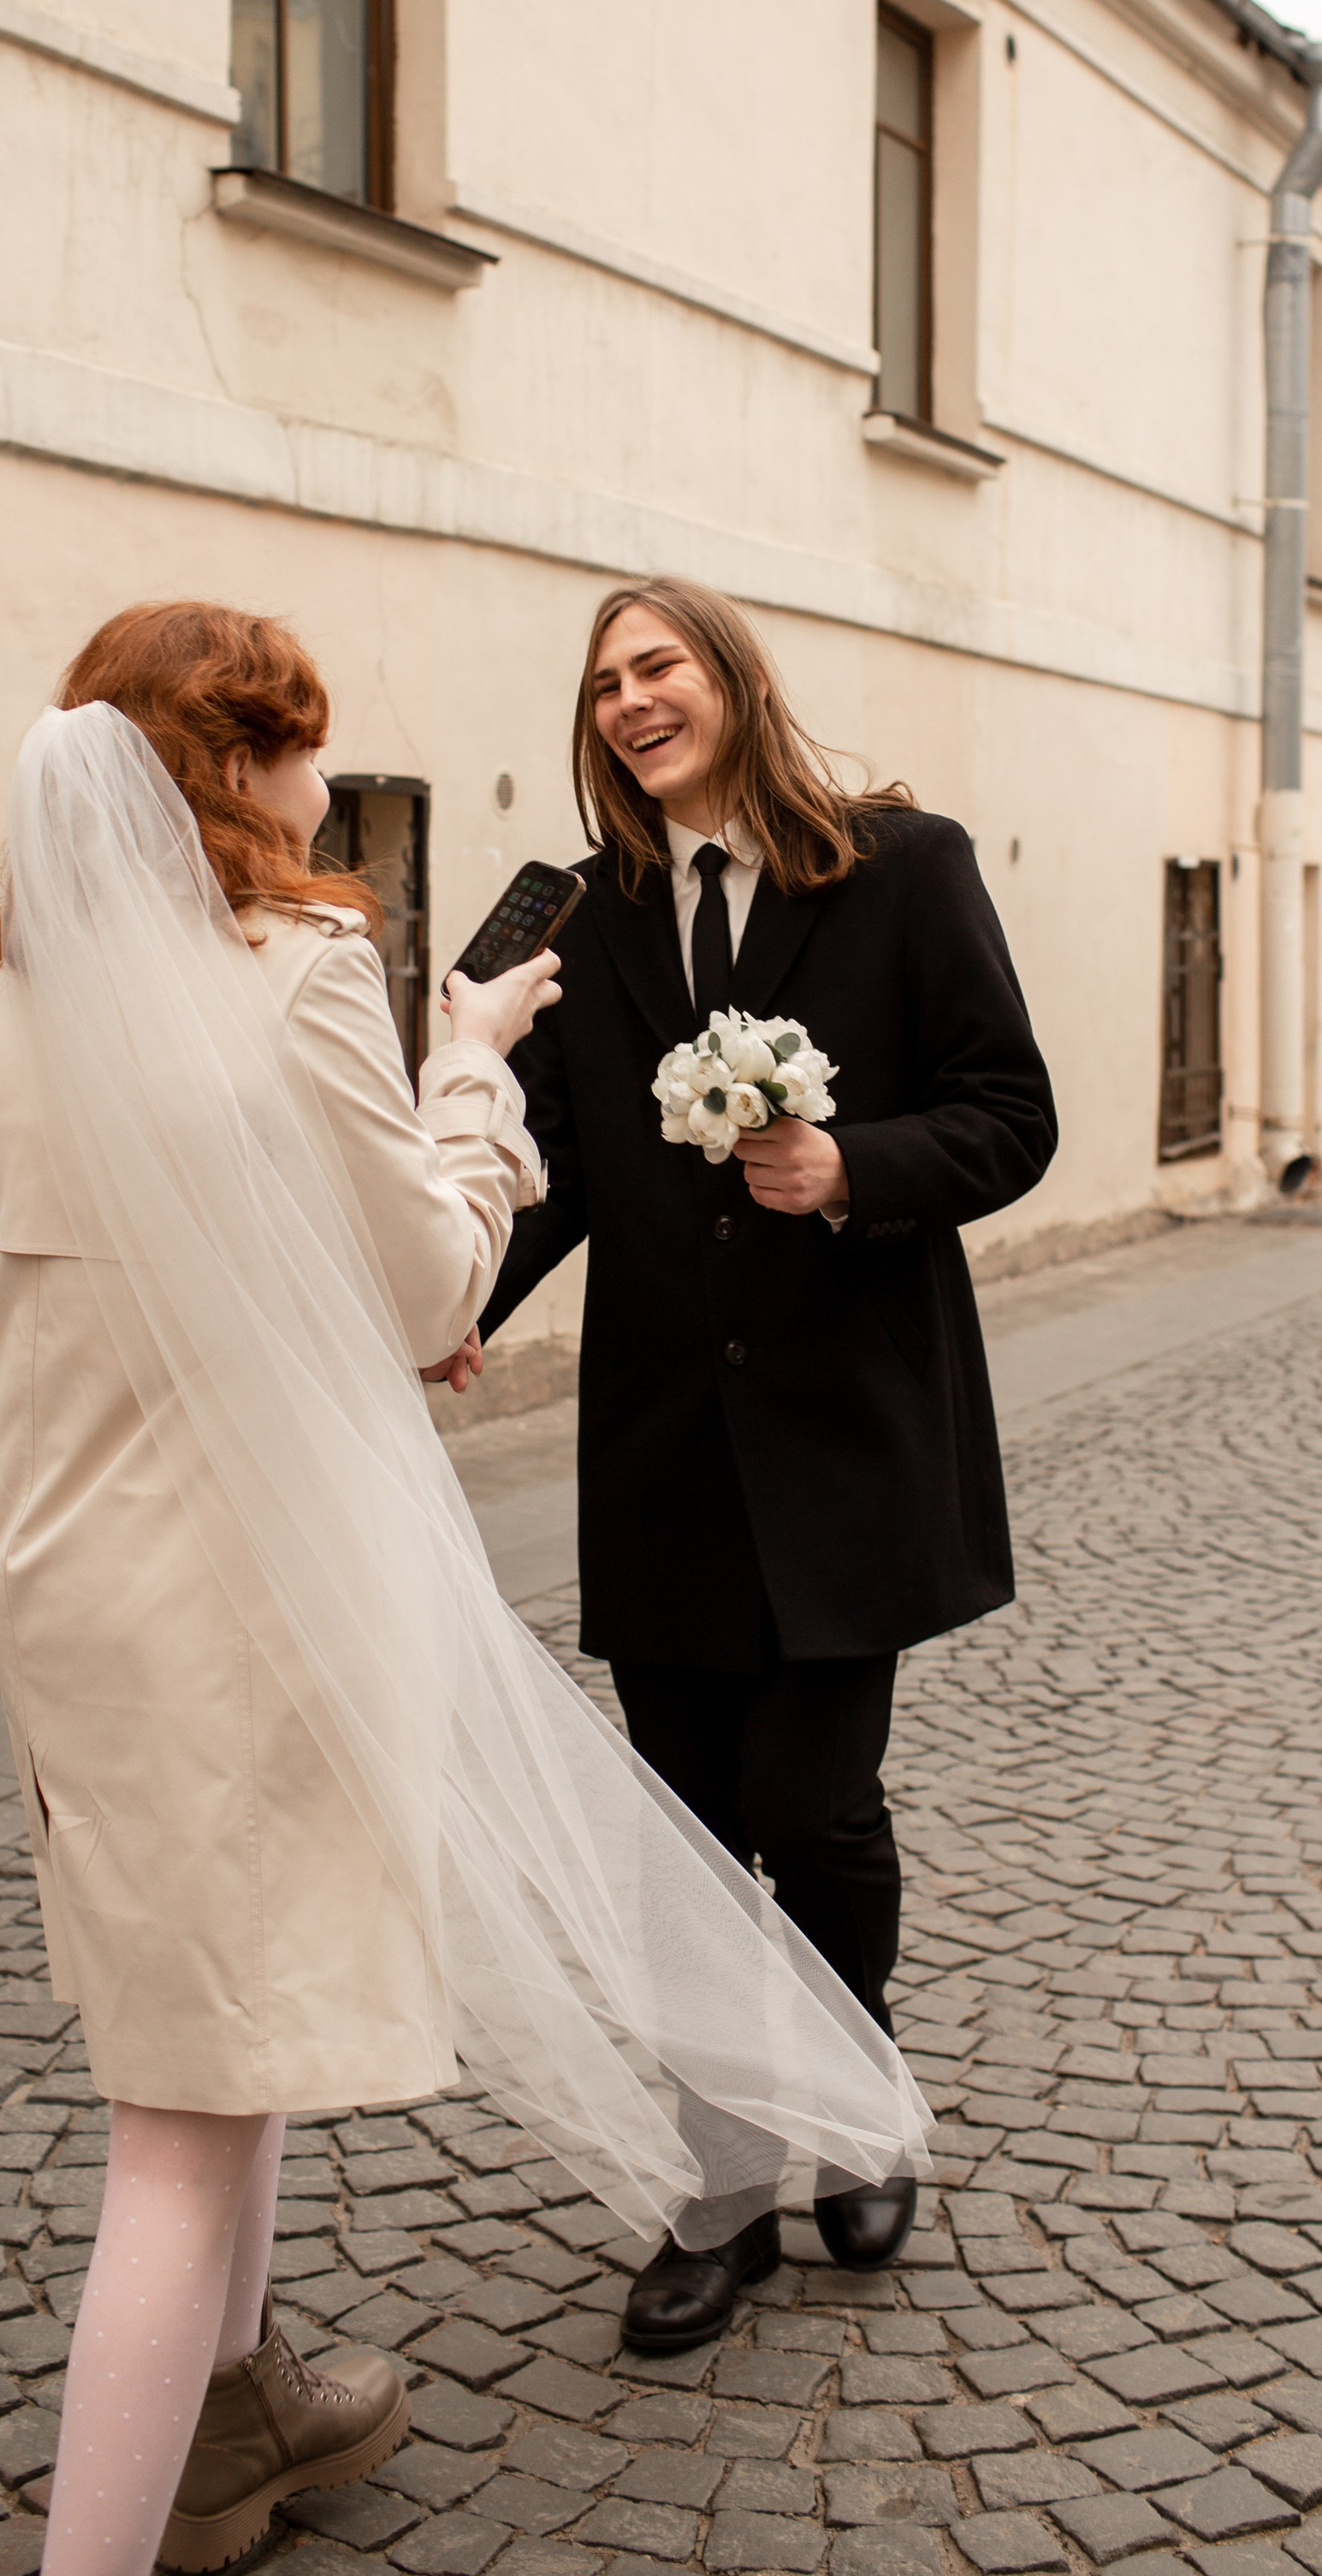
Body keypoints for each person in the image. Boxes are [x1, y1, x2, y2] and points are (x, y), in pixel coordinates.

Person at [0, 602, 925, 2576]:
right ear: (234, 770)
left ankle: (242, 2414)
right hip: (243, 1577)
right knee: (187, 2109)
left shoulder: (38, 977)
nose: (329, 777)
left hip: (66, 1560)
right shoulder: (304, 961)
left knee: (227, 2032)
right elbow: (417, 1279)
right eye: (303, 741)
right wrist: (470, 1068)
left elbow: (229, 1246)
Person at [462, 577, 1057, 2350]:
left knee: (814, 1803)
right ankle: (716, 2191)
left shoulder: (900, 865)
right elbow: (554, 1163)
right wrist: (447, 1291)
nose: (632, 700)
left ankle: (856, 2103)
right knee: (685, 1833)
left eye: (657, 665)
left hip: (845, 1426)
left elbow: (1010, 1113)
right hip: (660, 1436)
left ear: (726, 675)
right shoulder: (584, 912)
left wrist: (852, 1169)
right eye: (603, 684)